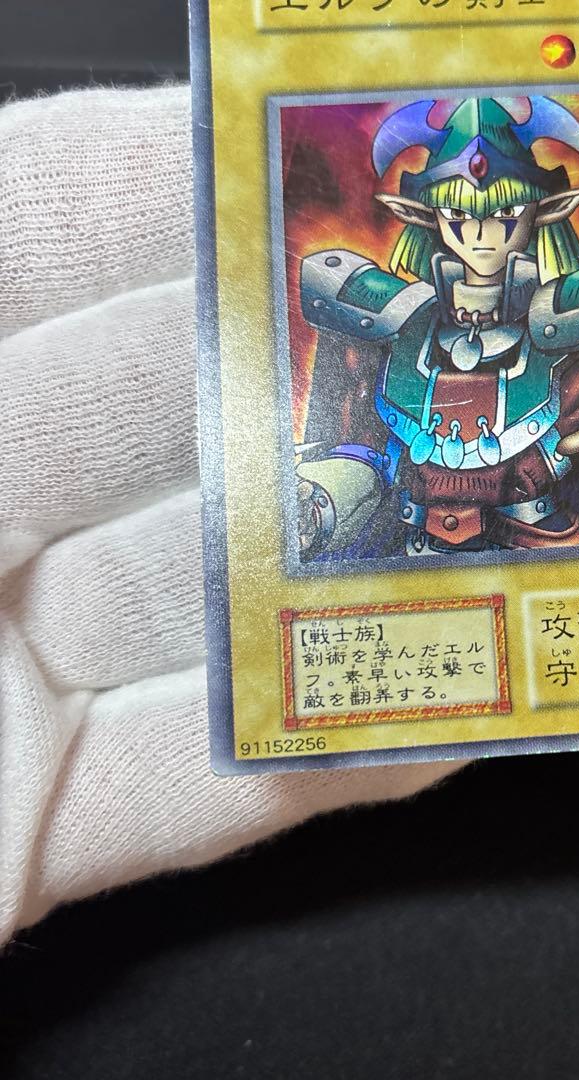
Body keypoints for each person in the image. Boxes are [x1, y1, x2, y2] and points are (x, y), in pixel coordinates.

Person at [0, 85, 463, 947]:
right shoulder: (379, 290)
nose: (480, 235)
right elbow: (337, 301)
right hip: (382, 458)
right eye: (461, 217)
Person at [296, 96, 579, 561]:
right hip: (414, 558)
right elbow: (359, 454)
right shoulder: (391, 323)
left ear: (542, 212)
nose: (481, 234)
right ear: (426, 216)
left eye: (505, 214)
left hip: (549, 555)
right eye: (459, 215)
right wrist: (315, 506)